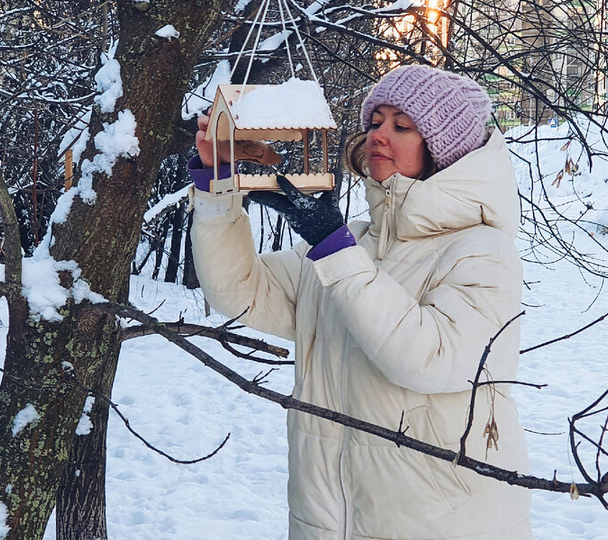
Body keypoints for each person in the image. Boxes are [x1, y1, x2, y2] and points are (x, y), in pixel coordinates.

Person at [187, 65, 532, 540]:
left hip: (436, 521)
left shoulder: (481, 252)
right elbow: (239, 290)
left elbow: (429, 359)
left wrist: (337, 250)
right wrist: (216, 186)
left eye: (401, 126)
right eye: (374, 122)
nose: (378, 136)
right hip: (328, 515)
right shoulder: (355, 247)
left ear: (444, 150)